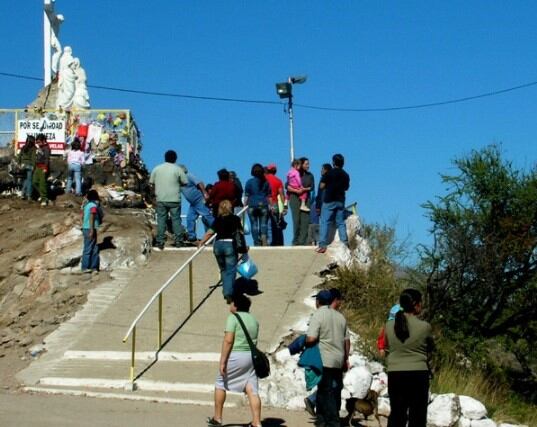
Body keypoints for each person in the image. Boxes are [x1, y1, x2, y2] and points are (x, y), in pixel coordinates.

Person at [208, 293, 262, 427]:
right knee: (251, 388)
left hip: (236, 355)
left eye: (232, 303)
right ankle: (256, 421)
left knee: (220, 383)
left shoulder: (233, 318)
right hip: (251, 357)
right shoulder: (254, 320)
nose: (230, 305)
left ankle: (218, 418)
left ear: (236, 306)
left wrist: (223, 361)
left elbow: (228, 341)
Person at [384, 289, 434, 427]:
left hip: (395, 374)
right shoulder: (425, 327)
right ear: (416, 304)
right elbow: (430, 349)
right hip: (418, 375)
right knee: (417, 416)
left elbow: (388, 346)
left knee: (397, 414)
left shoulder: (389, 326)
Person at [306, 289, 350, 427]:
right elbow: (346, 341)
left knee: (326, 391)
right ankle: (321, 420)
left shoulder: (318, 315)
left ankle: (332, 421)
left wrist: (305, 342)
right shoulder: (340, 317)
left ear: (318, 301)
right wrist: (345, 359)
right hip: (338, 360)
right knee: (331, 390)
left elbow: (311, 338)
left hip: (324, 359)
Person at [198, 200, 244, 302]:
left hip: (218, 245)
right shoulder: (235, 219)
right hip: (230, 245)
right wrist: (244, 248)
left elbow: (210, 232)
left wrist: (202, 242)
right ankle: (228, 293)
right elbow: (240, 233)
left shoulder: (218, 220)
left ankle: (226, 290)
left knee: (223, 269)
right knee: (231, 270)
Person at [149, 150, 188, 250]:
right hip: (174, 198)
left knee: (161, 220)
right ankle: (179, 240)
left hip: (161, 198)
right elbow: (185, 182)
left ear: (165, 157)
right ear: (175, 159)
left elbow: (151, 182)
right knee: (176, 219)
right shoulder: (178, 169)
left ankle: (160, 241)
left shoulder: (157, 169)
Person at [316, 154, 350, 254]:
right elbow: (347, 188)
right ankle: (345, 242)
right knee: (340, 222)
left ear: (333, 162)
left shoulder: (329, 173)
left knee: (325, 222)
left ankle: (322, 245)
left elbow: (322, 186)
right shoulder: (345, 175)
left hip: (329, 200)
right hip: (340, 201)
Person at [179, 165, 214, 243]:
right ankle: (192, 236)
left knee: (207, 216)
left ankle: (220, 230)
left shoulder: (189, 176)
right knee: (190, 218)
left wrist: (205, 193)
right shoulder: (179, 180)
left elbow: (199, 183)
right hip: (193, 203)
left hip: (199, 200)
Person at [244, 163, 271, 246]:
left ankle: (256, 241)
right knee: (264, 223)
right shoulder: (266, 182)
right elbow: (268, 195)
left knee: (254, 224)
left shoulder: (249, 182)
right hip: (263, 203)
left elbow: (247, 195)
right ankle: (264, 237)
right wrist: (270, 205)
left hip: (252, 204)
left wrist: (245, 205)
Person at [81, 189, 103, 272]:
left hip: (86, 227)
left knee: (94, 248)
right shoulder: (93, 206)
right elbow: (92, 217)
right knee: (88, 248)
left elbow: (83, 216)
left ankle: (94, 267)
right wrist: (91, 230)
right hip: (90, 228)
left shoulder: (86, 205)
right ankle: (85, 267)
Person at [265, 163, 287, 246]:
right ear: (275, 171)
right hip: (274, 203)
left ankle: (267, 242)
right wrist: (285, 206)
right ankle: (277, 242)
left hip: (265, 203)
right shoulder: (278, 180)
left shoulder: (264, 179)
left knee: (266, 223)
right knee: (276, 224)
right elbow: (281, 194)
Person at [33, 134, 51, 206]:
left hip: (43, 167)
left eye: (39, 142)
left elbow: (46, 159)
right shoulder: (39, 147)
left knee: (42, 184)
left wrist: (45, 168)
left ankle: (44, 199)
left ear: (43, 141)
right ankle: (42, 195)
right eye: (37, 142)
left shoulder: (46, 148)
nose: (38, 143)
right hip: (37, 167)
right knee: (35, 182)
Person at [17, 135, 36, 200]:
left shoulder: (23, 147)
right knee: (30, 180)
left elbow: (19, 156)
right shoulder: (33, 148)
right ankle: (29, 195)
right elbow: (33, 158)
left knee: (26, 179)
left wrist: (19, 164)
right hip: (29, 165)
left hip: (22, 165)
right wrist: (33, 166)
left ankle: (22, 194)